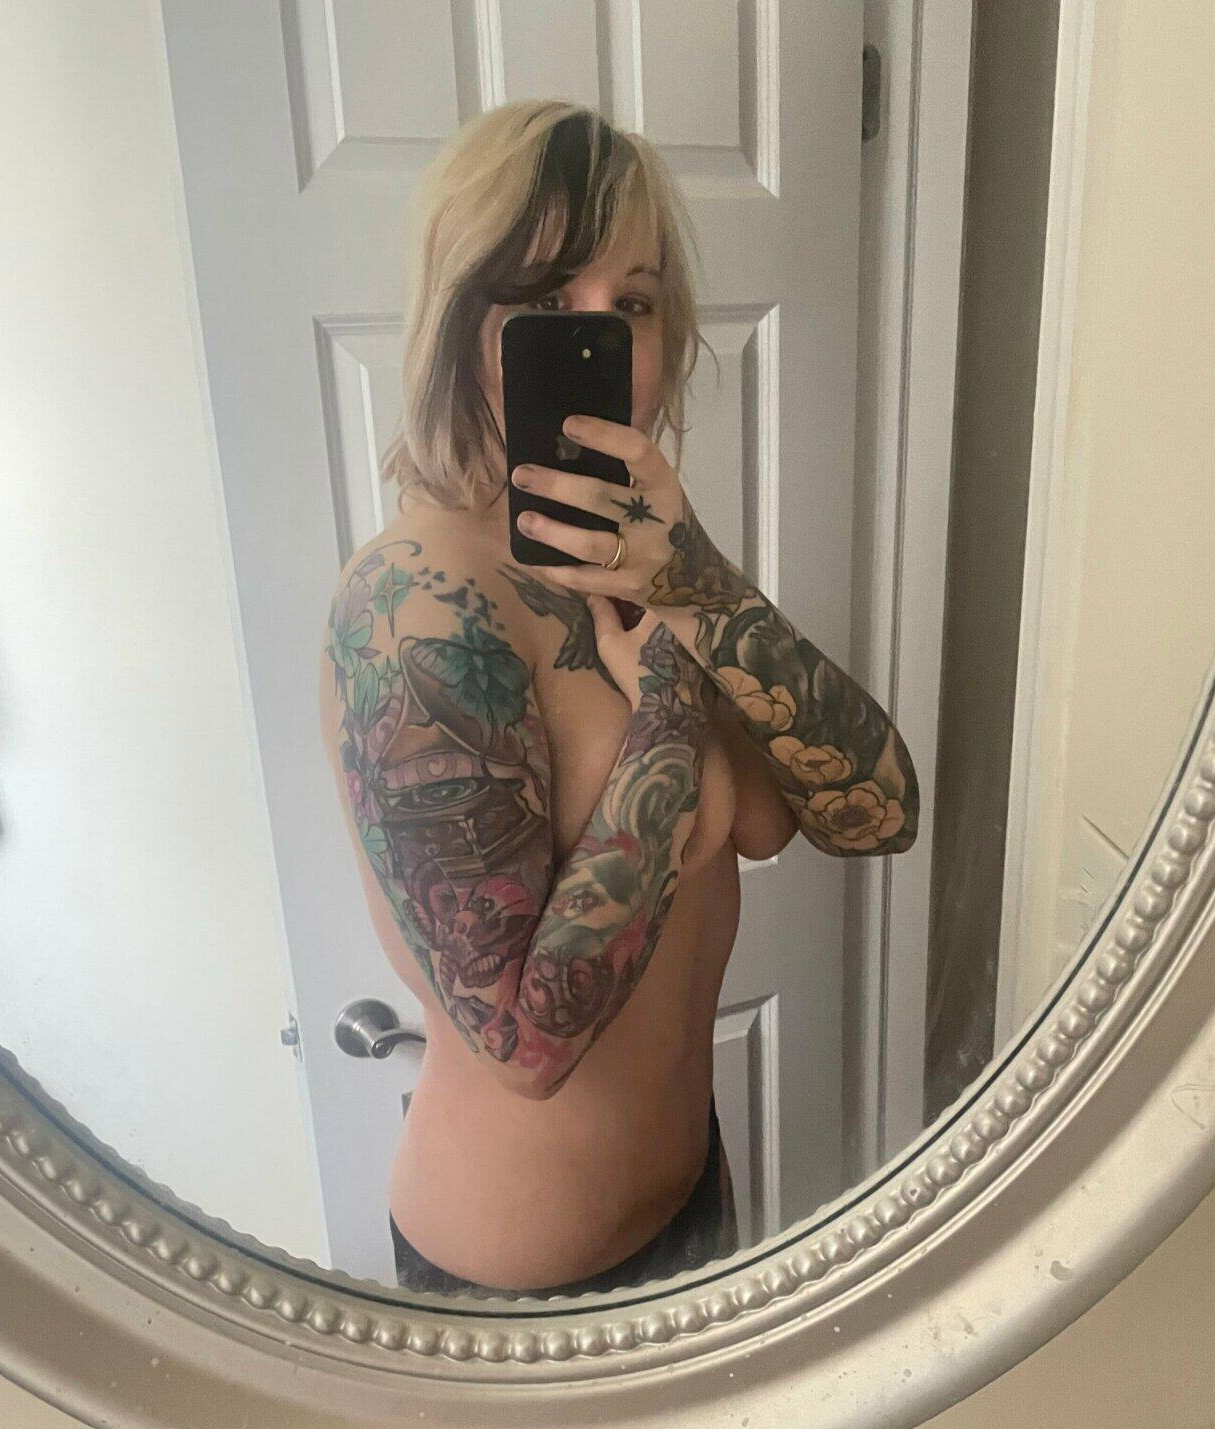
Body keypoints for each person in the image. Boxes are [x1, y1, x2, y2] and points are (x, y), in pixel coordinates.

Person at [322, 102, 918, 1298]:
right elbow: (524, 1043)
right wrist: (666, 717)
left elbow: (875, 812)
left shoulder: (647, 563)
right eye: (549, 303)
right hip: (518, 1281)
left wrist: (702, 585)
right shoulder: (417, 606)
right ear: (462, 323)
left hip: (696, 1202)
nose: (606, 342)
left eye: (633, 305)